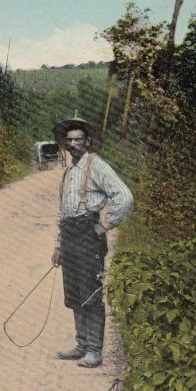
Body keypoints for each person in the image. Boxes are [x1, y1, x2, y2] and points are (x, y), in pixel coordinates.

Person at [51, 117, 133, 368]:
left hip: (89, 234)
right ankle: (82, 344)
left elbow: (125, 197)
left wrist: (105, 224)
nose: (73, 144)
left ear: (87, 141)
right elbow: (63, 212)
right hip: (70, 236)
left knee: (91, 292)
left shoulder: (97, 166)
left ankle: (95, 351)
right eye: (69, 139)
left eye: (78, 139)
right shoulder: (69, 171)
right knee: (75, 291)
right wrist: (58, 246)